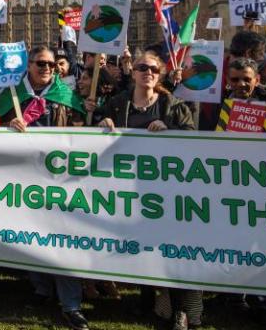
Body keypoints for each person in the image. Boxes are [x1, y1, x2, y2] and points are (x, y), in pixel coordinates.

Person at [95, 51, 198, 329]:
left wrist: (171, 128)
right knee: (140, 245)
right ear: (133, 72)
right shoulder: (118, 104)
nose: (147, 72)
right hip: (129, 189)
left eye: (153, 68)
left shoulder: (172, 105)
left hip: (165, 190)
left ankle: (179, 310)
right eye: (141, 67)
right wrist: (102, 123)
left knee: (171, 249)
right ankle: (145, 297)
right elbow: (97, 125)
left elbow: (193, 138)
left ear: (160, 74)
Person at [2, 46, 89, 330]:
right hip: (25, 180)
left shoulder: (64, 95)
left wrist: (91, 118)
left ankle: (71, 304)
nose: (47, 69)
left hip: (59, 180)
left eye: (51, 64)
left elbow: (81, 131)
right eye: (41, 63)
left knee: (64, 240)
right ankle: (41, 289)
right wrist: (7, 125)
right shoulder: (12, 95)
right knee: (31, 235)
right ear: (29, 66)